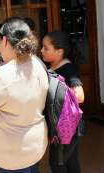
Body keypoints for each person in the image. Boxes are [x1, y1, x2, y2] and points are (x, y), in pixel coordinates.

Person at [0, 18, 49, 173]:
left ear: (5, 40)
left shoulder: (3, 75)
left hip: (12, 151)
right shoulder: (38, 64)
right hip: (33, 143)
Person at [41, 30, 85, 173]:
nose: (42, 51)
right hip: (67, 125)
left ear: (59, 51)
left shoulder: (67, 68)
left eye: (46, 48)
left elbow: (80, 96)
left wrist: (57, 92)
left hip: (69, 125)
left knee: (57, 163)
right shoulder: (53, 66)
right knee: (71, 163)